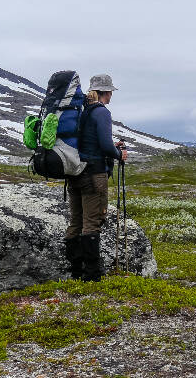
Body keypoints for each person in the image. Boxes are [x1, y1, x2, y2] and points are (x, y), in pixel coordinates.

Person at [63, 74, 127, 281]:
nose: (111, 96)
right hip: (94, 174)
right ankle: (91, 275)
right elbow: (106, 146)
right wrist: (119, 154)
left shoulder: (80, 112)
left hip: (74, 173)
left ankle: (75, 272)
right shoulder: (101, 112)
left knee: (76, 221)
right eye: (109, 92)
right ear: (104, 92)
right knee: (92, 222)